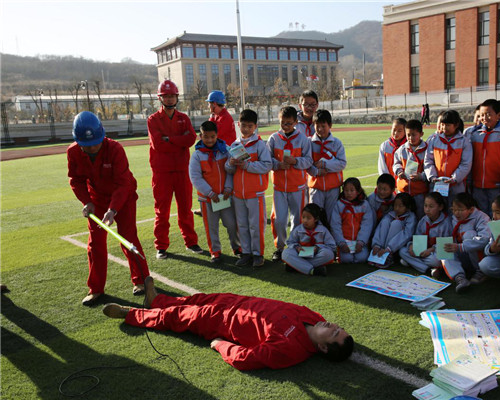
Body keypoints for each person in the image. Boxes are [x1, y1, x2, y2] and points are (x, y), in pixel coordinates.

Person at [103, 276, 354, 370]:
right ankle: (157, 299)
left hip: (222, 322)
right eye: (339, 328)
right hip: (237, 302)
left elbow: (247, 359)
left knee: (176, 317)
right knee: (196, 299)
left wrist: (220, 345)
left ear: (322, 348)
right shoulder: (315, 318)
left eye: (334, 334)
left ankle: (129, 314)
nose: (333, 326)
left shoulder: (290, 351)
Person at [67, 111, 150, 305]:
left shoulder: (115, 149)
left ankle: (142, 280)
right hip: (96, 199)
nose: (92, 148)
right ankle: (96, 288)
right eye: (86, 146)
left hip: (123, 197)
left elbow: (123, 184)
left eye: (95, 142)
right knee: (95, 243)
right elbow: (76, 180)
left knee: (128, 236)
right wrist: (86, 201)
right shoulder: (73, 152)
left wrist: (113, 210)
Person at [147, 80, 202, 260]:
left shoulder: (183, 118)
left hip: (181, 169)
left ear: (176, 97)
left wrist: (169, 139)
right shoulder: (153, 119)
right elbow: (157, 144)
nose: (169, 99)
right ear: (160, 98)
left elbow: (191, 140)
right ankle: (161, 246)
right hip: (162, 172)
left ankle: (191, 242)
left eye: (172, 96)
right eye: (166, 96)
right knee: (161, 211)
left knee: (185, 208)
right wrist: (179, 139)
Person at [225, 109, 272, 267]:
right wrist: (230, 164)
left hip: (255, 193)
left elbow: (267, 165)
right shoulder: (235, 145)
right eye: (243, 125)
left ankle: (258, 254)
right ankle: (246, 253)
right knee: (242, 225)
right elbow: (228, 169)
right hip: (238, 194)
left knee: (256, 225)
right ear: (238, 125)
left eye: (249, 126)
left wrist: (247, 165)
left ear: (255, 127)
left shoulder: (260, 144)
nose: (246, 129)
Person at [189, 121, 241, 264]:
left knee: (231, 224)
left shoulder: (225, 150)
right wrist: (209, 193)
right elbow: (195, 177)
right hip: (208, 199)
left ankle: (237, 247)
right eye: (206, 137)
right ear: (200, 136)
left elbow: (231, 171)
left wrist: (228, 188)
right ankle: (215, 252)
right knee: (211, 227)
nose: (210, 140)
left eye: (212, 136)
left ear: (217, 135)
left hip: (225, 196)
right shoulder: (197, 155)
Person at [267, 106, 312, 262]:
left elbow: (308, 160)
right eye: (282, 123)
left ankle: (294, 246)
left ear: (295, 122)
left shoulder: (303, 139)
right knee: (278, 219)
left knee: (298, 219)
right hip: (279, 187)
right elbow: (267, 160)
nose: (285, 126)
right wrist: (278, 165)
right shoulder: (273, 138)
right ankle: (279, 247)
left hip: (297, 187)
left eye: (288, 123)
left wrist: (295, 161)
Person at [433, 193, 492, 293]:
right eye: (454, 209)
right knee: (444, 247)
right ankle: (460, 278)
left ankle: (480, 272)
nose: (456, 213)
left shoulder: (482, 217)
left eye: (460, 210)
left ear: (471, 209)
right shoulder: (453, 219)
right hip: (462, 255)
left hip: (478, 258)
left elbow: (484, 239)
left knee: (468, 235)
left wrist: (461, 247)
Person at [471, 99, 500, 217]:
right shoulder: (475, 134)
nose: (485, 117)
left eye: (488, 114)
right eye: (482, 115)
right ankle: (483, 235)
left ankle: (497, 236)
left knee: (497, 214)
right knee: (480, 214)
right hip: (477, 185)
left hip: (497, 184)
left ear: (498, 115)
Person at [424, 110, 472, 206]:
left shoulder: (464, 142)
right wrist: (432, 176)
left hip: (456, 185)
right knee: (437, 209)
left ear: (456, 125)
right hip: (437, 183)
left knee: (455, 209)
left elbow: (466, 163)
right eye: (442, 124)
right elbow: (428, 160)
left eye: (448, 125)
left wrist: (454, 178)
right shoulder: (435, 140)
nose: (444, 128)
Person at [307, 109, 346, 222]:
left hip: (333, 188)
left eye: (323, 126)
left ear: (330, 125)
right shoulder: (309, 143)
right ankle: (317, 239)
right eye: (317, 126)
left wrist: (325, 164)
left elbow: (342, 163)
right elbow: (306, 164)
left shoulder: (336, 143)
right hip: (315, 187)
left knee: (331, 218)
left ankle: (331, 239)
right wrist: (316, 172)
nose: (320, 129)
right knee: (314, 218)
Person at [400, 192, 452, 274]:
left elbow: (445, 246)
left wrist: (431, 250)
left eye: (431, 206)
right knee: (402, 251)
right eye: (425, 205)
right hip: (423, 251)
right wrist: (412, 245)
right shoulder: (423, 220)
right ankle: (428, 269)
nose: (427, 209)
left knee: (437, 261)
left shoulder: (446, 223)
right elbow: (417, 237)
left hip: (434, 253)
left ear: (440, 207)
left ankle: (414, 263)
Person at [282, 204, 336, 276]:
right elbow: (290, 242)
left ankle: (297, 266)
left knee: (329, 254)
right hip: (300, 254)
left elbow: (332, 246)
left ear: (316, 219)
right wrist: (297, 247)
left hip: (316, 256)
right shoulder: (298, 229)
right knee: (286, 253)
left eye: (308, 218)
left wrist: (318, 248)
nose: (305, 220)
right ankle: (313, 271)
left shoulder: (323, 230)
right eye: (303, 217)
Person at [330, 178, 374, 264]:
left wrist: (361, 242)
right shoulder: (339, 205)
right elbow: (335, 225)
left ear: (358, 191)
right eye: (346, 190)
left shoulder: (364, 205)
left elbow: (367, 225)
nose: (349, 193)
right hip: (345, 241)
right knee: (347, 260)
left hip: (359, 242)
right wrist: (341, 243)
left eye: (352, 190)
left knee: (362, 258)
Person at [370, 193, 417, 268]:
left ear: (407, 207)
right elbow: (380, 228)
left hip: (397, 247)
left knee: (396, 223)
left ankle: (388, 255)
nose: (397, 208)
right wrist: (376, 244)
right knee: (385, 221)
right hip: (383, 246)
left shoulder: (411, 217)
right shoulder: (390, 214)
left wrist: (389, 248)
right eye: (395, 205)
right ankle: (379, 249)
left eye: (400, 206)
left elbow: (407, 234)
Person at [393, 119, 429, 220]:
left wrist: (421, 176)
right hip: (403, 190)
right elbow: (396, 163)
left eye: (414, 135)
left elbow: (430, 168)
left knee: (419, 216)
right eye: (408, 135)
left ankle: (418, 235)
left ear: (421, 134)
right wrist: (399, 171)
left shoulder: (427, 150)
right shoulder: (402, 149)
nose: (411, 138)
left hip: (419, 193)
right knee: (403, 217)